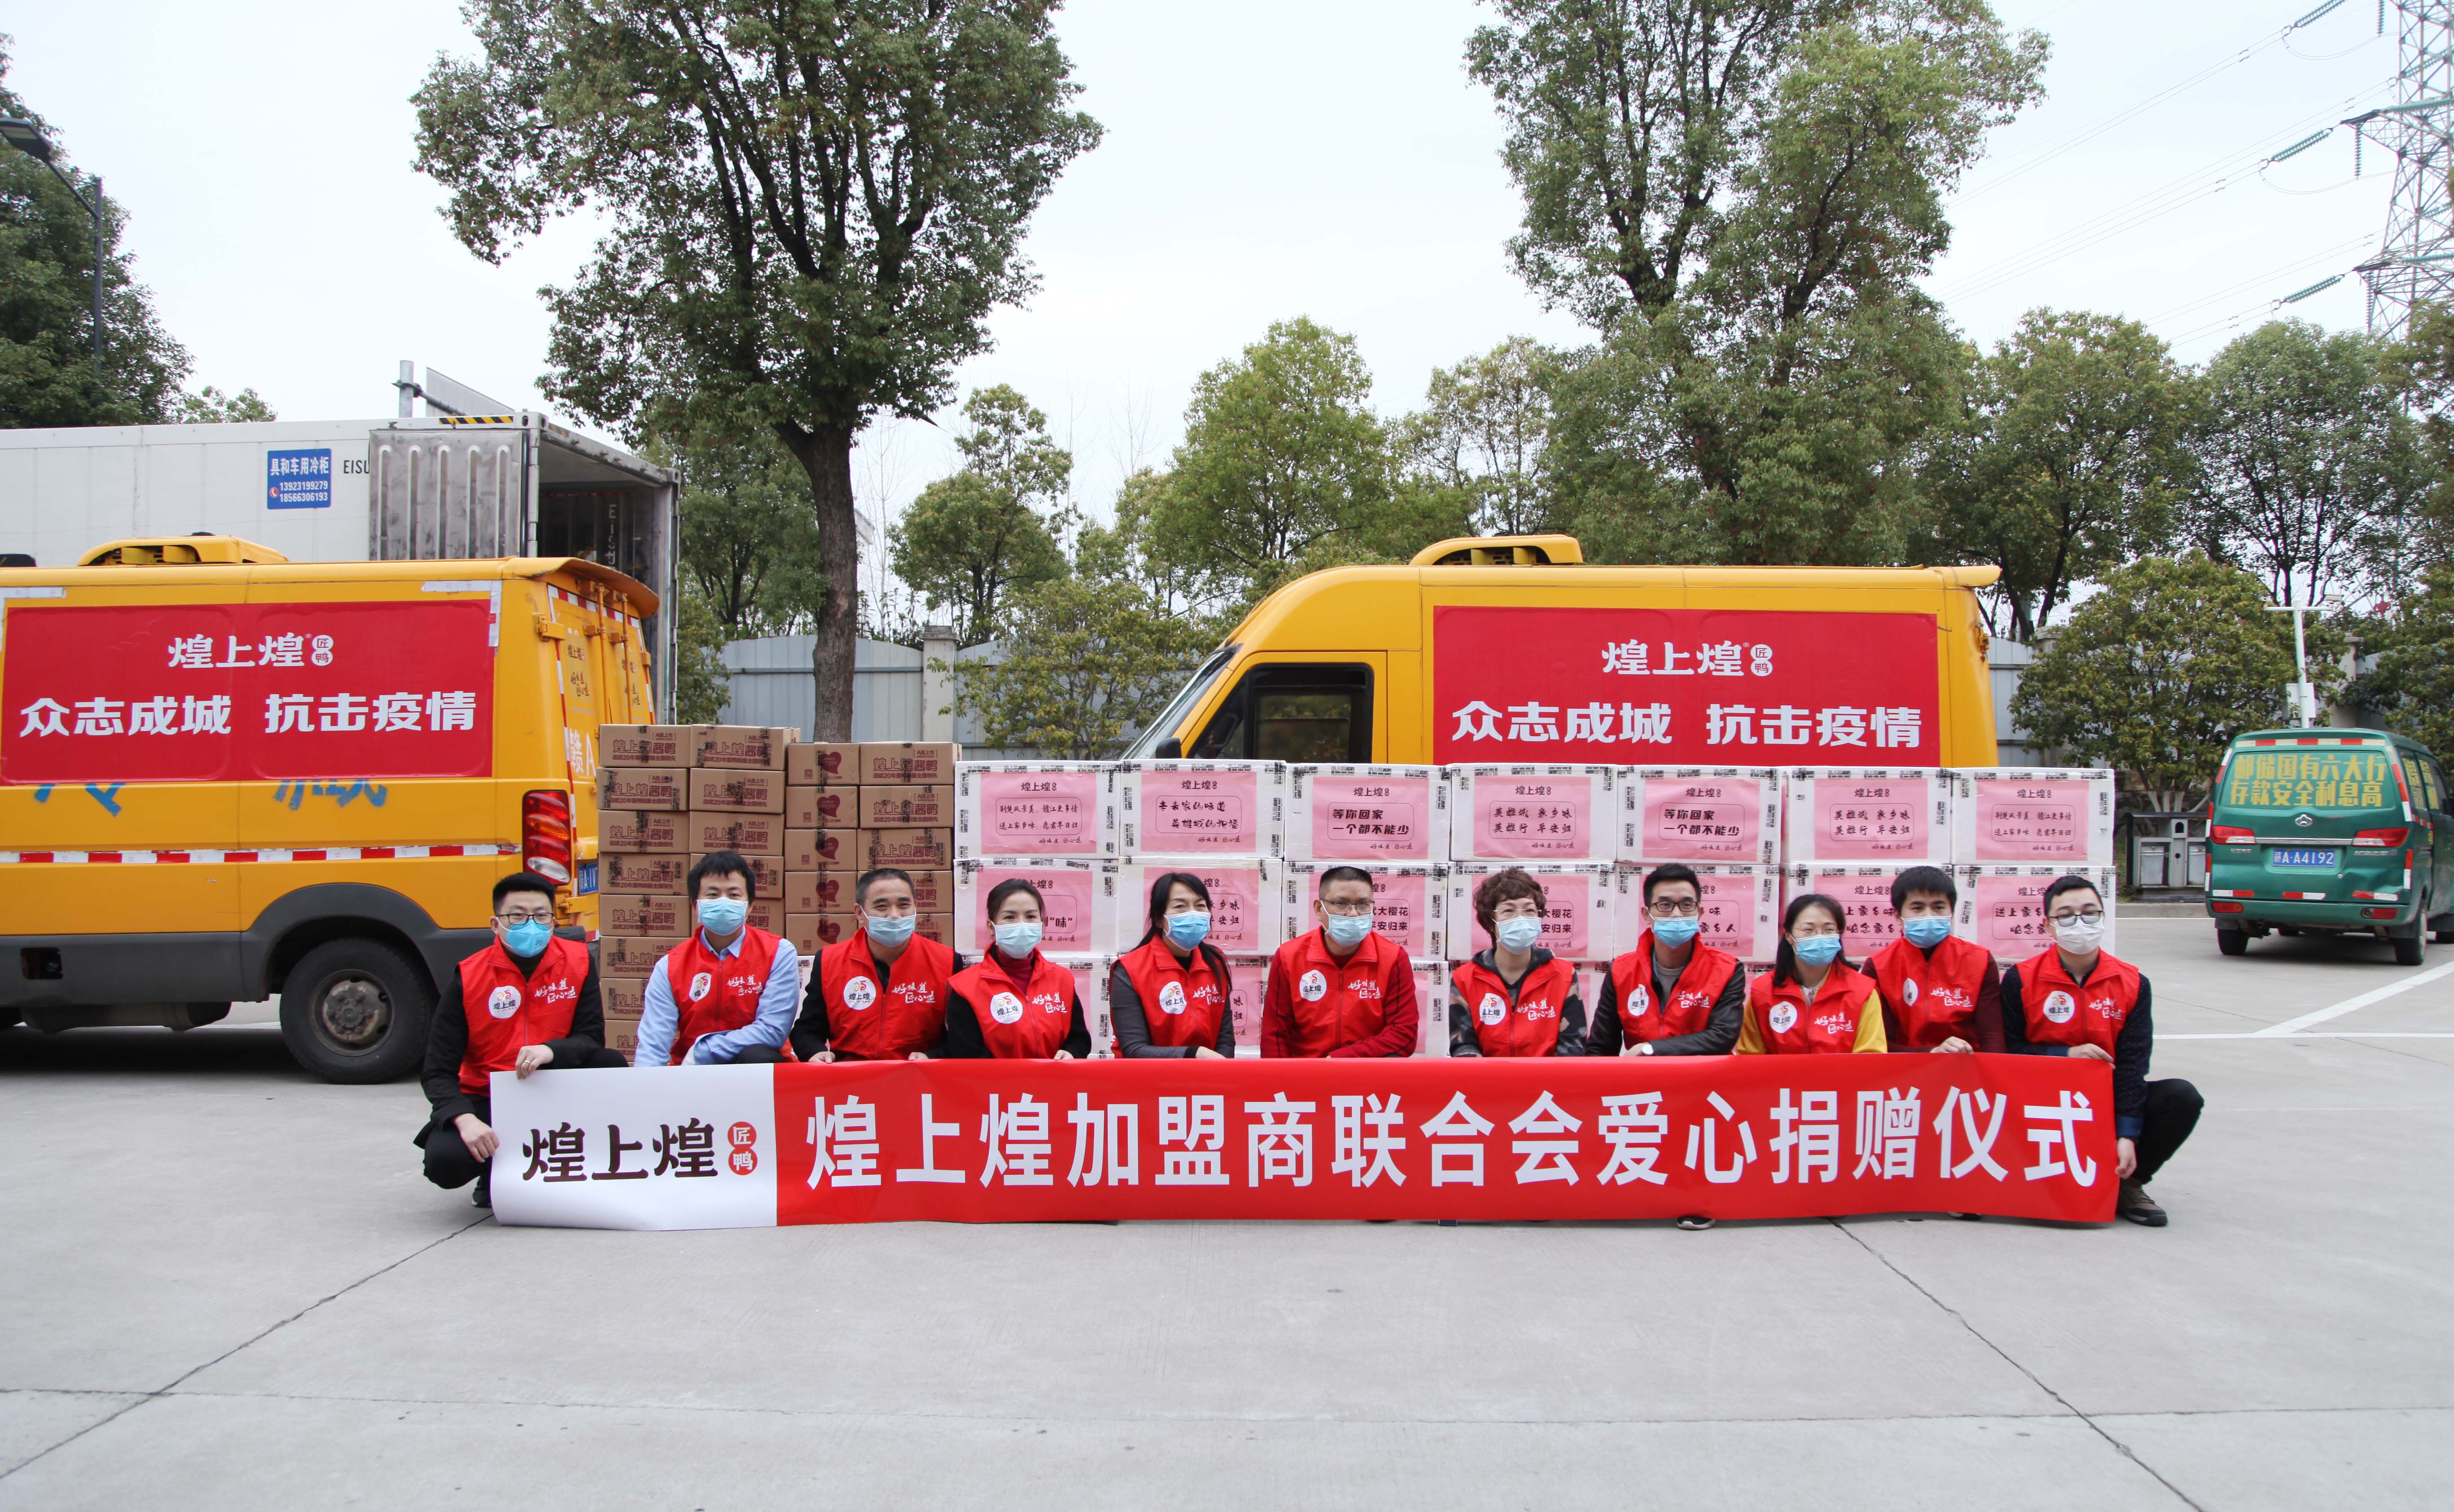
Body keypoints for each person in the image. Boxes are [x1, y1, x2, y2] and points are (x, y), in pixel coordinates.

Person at [416, 872, 626, 1208]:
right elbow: (437, 1071)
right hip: (489, 1094)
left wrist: (551, 1051)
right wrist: (463, 1118)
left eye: (541, 916)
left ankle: (584, 1166)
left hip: (554, 1085)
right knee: (445, 1162)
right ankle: (494, 1173)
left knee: (610, 1063)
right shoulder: (469, 976)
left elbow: (591, 1037)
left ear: (553, 921)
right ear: (496, 924)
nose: (531, 925)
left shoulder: (578, 961)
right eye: (517, 916)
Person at [2001, 875, 2202, 1227]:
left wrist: (2127, 1134)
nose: (2079, 922)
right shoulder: (2020, 979)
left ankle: (2128, 1183)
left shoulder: (2132, 983)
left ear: (2103, 917)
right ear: (2048, 926)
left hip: (2103, 1100)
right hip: (2039, 1106)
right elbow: (2007, 1050)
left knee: (2181, 1097)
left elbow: (2132, 1064)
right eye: (2066, 915)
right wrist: (2065, 1056)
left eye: (2089, 912)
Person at [635, 851, 798, 1067]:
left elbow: (772, 1030)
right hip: (692, 1072)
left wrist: (704, 1051)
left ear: (750, 905)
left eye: (734, 895)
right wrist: (644, 1082)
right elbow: (653, 1043)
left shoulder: (778, 953)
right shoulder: (670, 966)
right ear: (695, 905)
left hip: (757, 1069)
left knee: (756, 1055)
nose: (723, 902)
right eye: (713, 895)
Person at [793, 867, 964, 1061]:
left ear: (915, 907)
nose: (895, 915)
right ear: (860, 913)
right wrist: (816, 1053)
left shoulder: (947, 961)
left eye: (904, 905)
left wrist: (933, 1056)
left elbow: (962, 1036)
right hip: (849, 1074)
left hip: (919, 1074)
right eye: (882, 907)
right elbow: (807, 1030)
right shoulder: (829, 961)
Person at [1587, 862, 1743, 1057]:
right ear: (1647, 915)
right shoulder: (1621, 970)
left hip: (1704, 1076)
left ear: (1699, 913)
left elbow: (1723, 1037)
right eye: (1665, 905)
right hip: (1643, 1077)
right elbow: (1601, 1048)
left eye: (1687, 905)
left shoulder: (1728, 969)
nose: (1677, 914)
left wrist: (1651, 1049)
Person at [1261, 866, 1418, 1057]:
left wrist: (1340, 1060)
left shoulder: (1393, 958)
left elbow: (1403, 1033)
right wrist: (1284, 1075)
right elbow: (1275, 1033)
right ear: (1319, 909)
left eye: (1363, 904)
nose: (1353, 914)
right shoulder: (1289, 957)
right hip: (1305, 1071)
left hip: (1368, 1070)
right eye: (1341, 904)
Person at [941, 878, 1092, 1058]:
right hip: (995, 1078)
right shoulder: (965, 987)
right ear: (991, 927)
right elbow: (966, 1052)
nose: (1022, 925)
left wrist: (1071, 1052)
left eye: (1031, 917)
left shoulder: (1061, 979)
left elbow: (1079, 1038)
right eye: (1010, 917)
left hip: (1055, 1076)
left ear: (1041, 923)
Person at [1864, 865, 2005, 1053]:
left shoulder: (1981, 961)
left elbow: (1993, 1038)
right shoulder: (1877, 967)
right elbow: (1880, 1044)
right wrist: (1931, 1054)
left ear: (1951, 913)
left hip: (1967, 1066)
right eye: (1918, 908)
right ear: (1898, 916)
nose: (1929, 916)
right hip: (1904, 1068)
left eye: (1938, 907)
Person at [1449, 867, 1585, 1056]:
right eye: (1509, 910)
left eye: (1529, 910)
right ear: (1491, 922)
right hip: (1488, 1075)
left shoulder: (1563, 975)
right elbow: (1464, 1046)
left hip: (1548, 1076)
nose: (1521, 918)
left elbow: (1572, 1046)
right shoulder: (1465, 979)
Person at [1737, 892, 1887, 1054]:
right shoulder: (1763, 991)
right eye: (1808, 929)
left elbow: (1871, 1057)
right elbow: (1751, 1056)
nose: (1819, 937)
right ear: (1789, 936)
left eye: (1829, 930)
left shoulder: (1863, 992)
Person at [1110, 871, 1236, 1058]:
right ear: (1159, 919)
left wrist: (1216, 1070)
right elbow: (1134, 1049)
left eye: (1200, 906)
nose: (1193, 914)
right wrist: (1193, 1055)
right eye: (1180, 906)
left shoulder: (1215, 962)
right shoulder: (1129, 969)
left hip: (1209, 1074)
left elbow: (1225, 1040)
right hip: (1148, 1075)